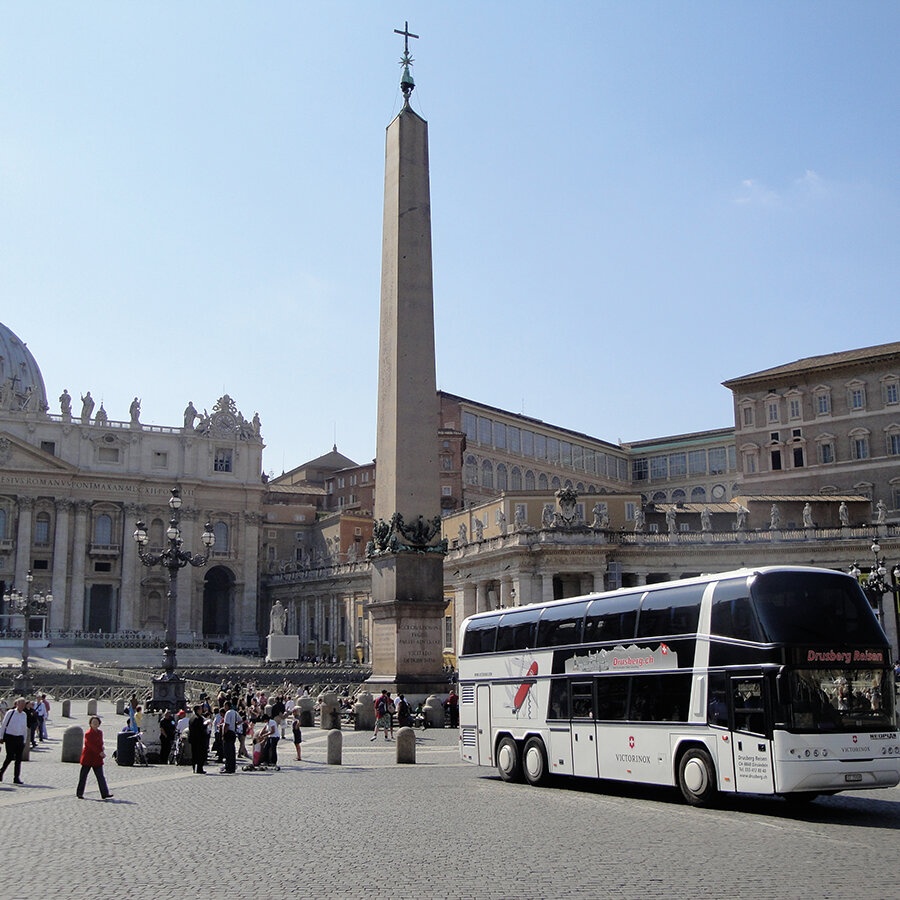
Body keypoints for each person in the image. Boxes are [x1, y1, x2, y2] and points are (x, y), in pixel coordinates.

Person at [76, 715, 113, 800]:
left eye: (96, 723)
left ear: (99, 724)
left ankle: (105, 793)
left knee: (100, 776)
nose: (95, 724)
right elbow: (90, 745)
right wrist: (100, 752)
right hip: (88, 757)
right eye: (93, 722)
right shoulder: (88, 734)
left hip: (97, 759)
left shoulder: (100, 733)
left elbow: (100, 743)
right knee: (83, 776)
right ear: (90, 724)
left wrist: (102, 750)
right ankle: (79, 793)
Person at [0, 698, 28, 784]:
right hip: (10, 737)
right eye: (21, 704)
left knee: (18, 759)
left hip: (19, 738)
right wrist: (1, 737)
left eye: (23, 704)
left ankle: (16, 777)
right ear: (16, 704)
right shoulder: (10, 713)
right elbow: (4, 725)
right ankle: (1, 772)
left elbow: (24, 728)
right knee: (9, 757)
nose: (22, 706)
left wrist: (24, 739)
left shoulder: (24, 714)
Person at [188, 706, 209, 774]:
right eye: (200, 709)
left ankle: (194, 767)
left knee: (194, 754)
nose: (201, 710)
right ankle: (199, 768)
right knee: (200, 754)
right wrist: (206, 724)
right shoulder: (199, 718)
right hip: (199, 739)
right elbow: (200, 728)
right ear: (197, 710)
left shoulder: (191, 718)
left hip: (193, 739)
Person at [220, 700, 239, 773]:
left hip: (228, 733)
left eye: (225, 706)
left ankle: (228, 767)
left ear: (227, 706)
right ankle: (232, 766)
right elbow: (240, 720)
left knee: (227, 751)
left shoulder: (228, 713)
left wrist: (223, 734)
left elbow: (226, 724)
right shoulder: (234, 712)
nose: (224, 708)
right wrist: (234, 724)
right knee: (232, 750)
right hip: (233, 732)